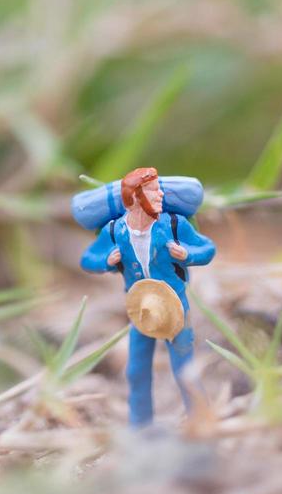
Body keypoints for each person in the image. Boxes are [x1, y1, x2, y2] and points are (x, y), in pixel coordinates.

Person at [80, 166, 216, 427]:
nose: (160, 194)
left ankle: (201, 420)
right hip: (141, 310)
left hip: (175, 307)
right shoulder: (116, 231)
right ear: (133, 198)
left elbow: (207, 248)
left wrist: (187, 255)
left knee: (184, 368)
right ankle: (140, 426)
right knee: (136, 370)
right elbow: (89, 258)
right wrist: (106, 261)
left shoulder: (174, 225)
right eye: (153, 191)